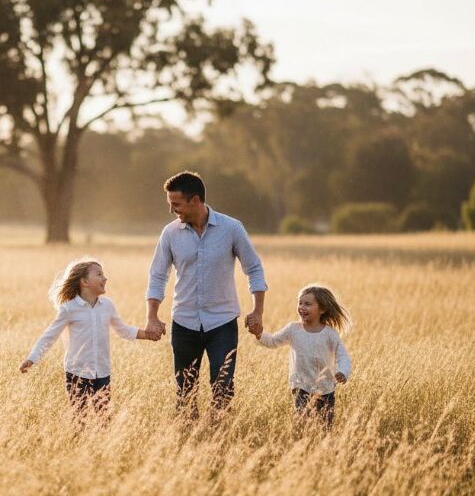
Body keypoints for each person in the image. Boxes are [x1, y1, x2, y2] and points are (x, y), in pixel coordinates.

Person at [146, 171, 268, 420]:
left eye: (176, 204)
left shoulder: (231, 228)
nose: (172, 210)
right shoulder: (170, 234)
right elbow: (158, 276)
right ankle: (188, 440)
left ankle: (218, 437)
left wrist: (257, 311)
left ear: (195, 200)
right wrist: (152, 316)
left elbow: (254, 269)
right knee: (185, 391)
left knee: (223, 388)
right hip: (185, 322)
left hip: (222, 323)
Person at [20, 258, 155, 416]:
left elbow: (123, 330)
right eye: (99, 274)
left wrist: (147, 334)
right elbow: (49, 336)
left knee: (104, 418)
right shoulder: (69, 309)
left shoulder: (107, 306)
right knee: (79, 419)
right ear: (84, 281)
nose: (105, 278)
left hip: (102, 372)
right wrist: (32, 358)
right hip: (77, 373)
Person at [256, 284, 352, 430]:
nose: (302, 307)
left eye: (307, 304)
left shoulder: (329, 334)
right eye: (300, 303)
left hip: (326, 390)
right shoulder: (293, 329)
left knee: (324, 428)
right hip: (301, 387)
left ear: (322, 309)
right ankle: (302, 447)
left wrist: (343, 372)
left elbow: (343, 356)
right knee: (302, 424)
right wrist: (259, 334)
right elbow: (273, 341)